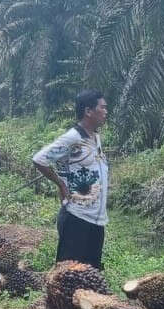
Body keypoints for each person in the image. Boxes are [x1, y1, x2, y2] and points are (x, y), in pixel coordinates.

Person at [32, 89, 109, 269]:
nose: (106, 111)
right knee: (68, 275)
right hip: (77, 218)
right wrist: (61, 184)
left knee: (92, 276)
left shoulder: (95, 137)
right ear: (88, 111)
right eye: (102, 108)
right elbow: (39, 159)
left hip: (96, 220)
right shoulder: (73, 137)